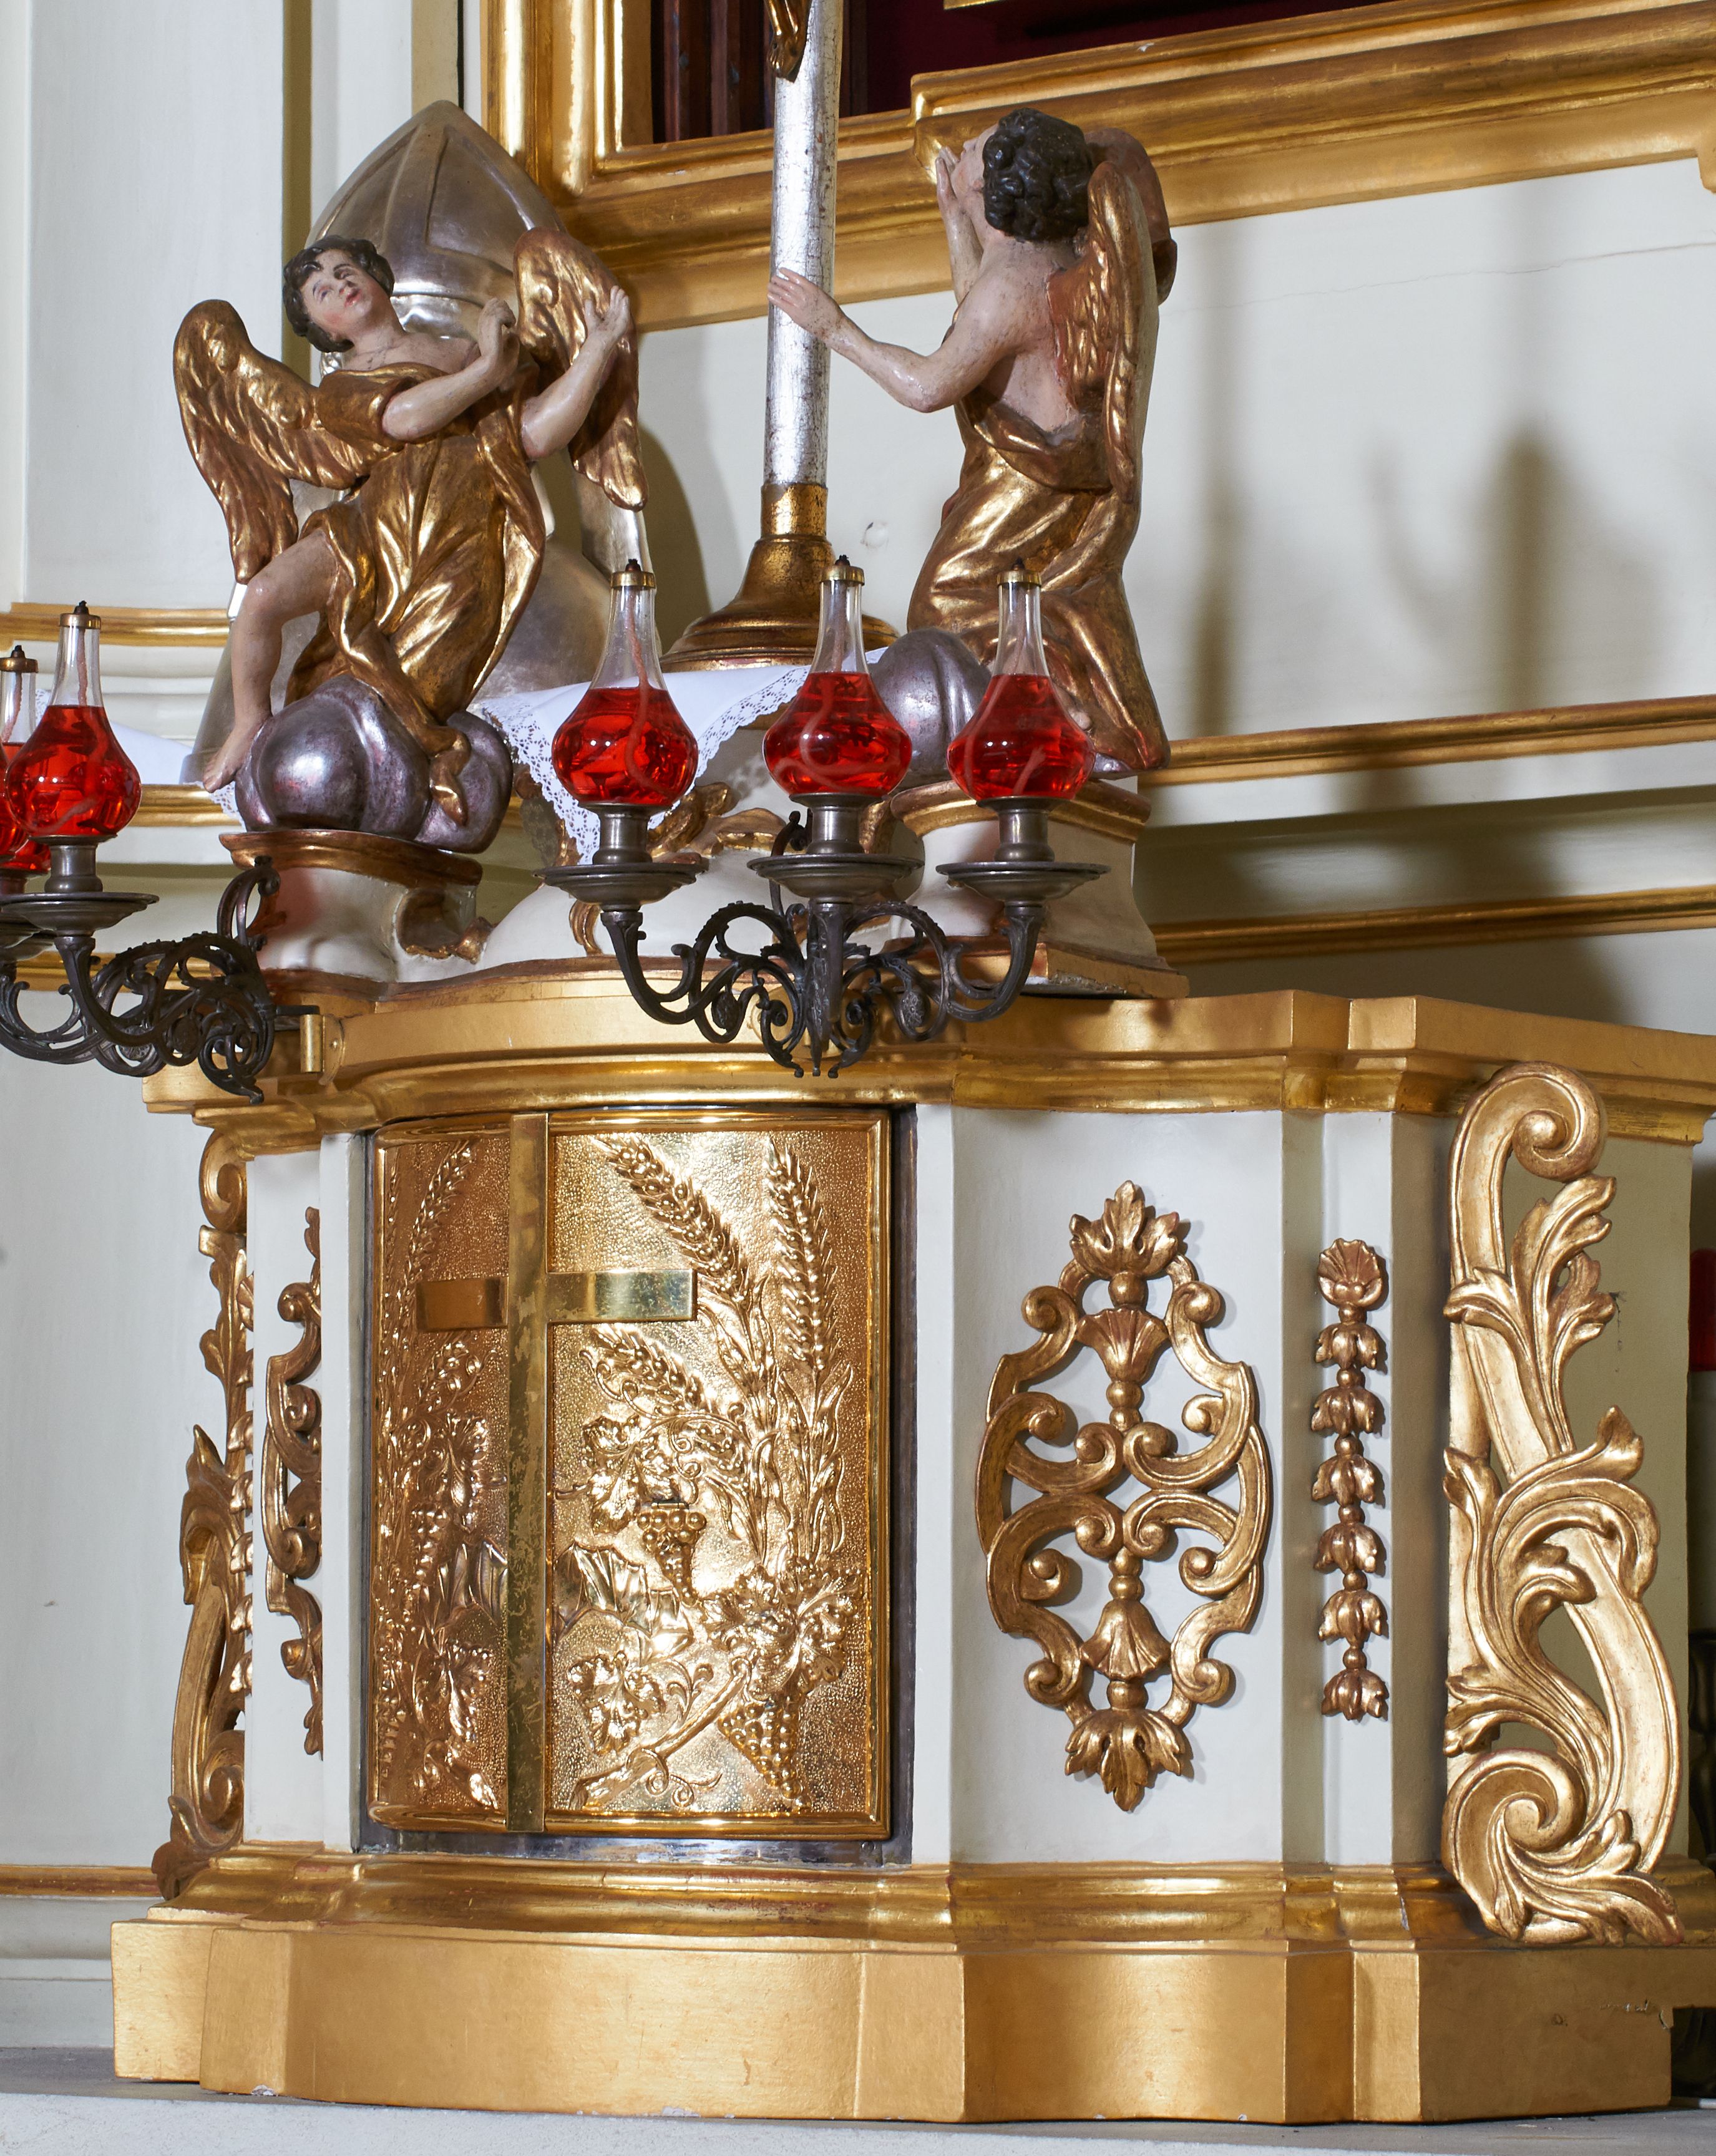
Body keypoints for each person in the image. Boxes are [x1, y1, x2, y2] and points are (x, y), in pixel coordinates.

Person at [177, 230, 643, 815]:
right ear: (322, 329)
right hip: (370, 527)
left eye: (346, 270)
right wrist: (485, 370)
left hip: (459, 527)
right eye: (322, 290)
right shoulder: (340, 387)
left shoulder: (459, 350)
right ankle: (250, 722)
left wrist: (597, 348)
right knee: (265, 595)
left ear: (377, 276)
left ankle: (412, 770)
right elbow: (402, 420)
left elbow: (535, 432)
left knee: (416, 694)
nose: (340, 285)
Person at [769, 106, 1175, 772]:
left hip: (1022, 483)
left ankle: (1053, 720)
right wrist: (955, 221)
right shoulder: (1040, 267)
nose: (962, 153)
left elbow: (930, 385)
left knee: (947, 601)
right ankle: (1039, 718)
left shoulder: (1009, 288)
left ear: (998, 185)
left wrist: (834, 327)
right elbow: (978, 327)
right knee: (1014, 606)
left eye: (978, 151)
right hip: (1045, 479)